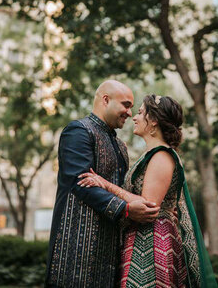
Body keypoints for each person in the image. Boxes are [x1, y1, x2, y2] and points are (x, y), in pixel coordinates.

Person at [78, 94, 218, 287]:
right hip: (142, 237)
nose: (134, 117)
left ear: (153, 121)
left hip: (152, 243)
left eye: (141, 112)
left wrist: (105, 184)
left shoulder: (162, 156)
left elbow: (147, 206)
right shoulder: (153, 155)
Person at [45, 80, 162, 287]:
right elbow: (80, 183)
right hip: (77, 245)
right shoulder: (78, 131)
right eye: (126, 105)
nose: (129, 112)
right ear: (106, 100)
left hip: (111, 248)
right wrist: (125, 209)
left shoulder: (119, 145)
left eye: (132, 107)